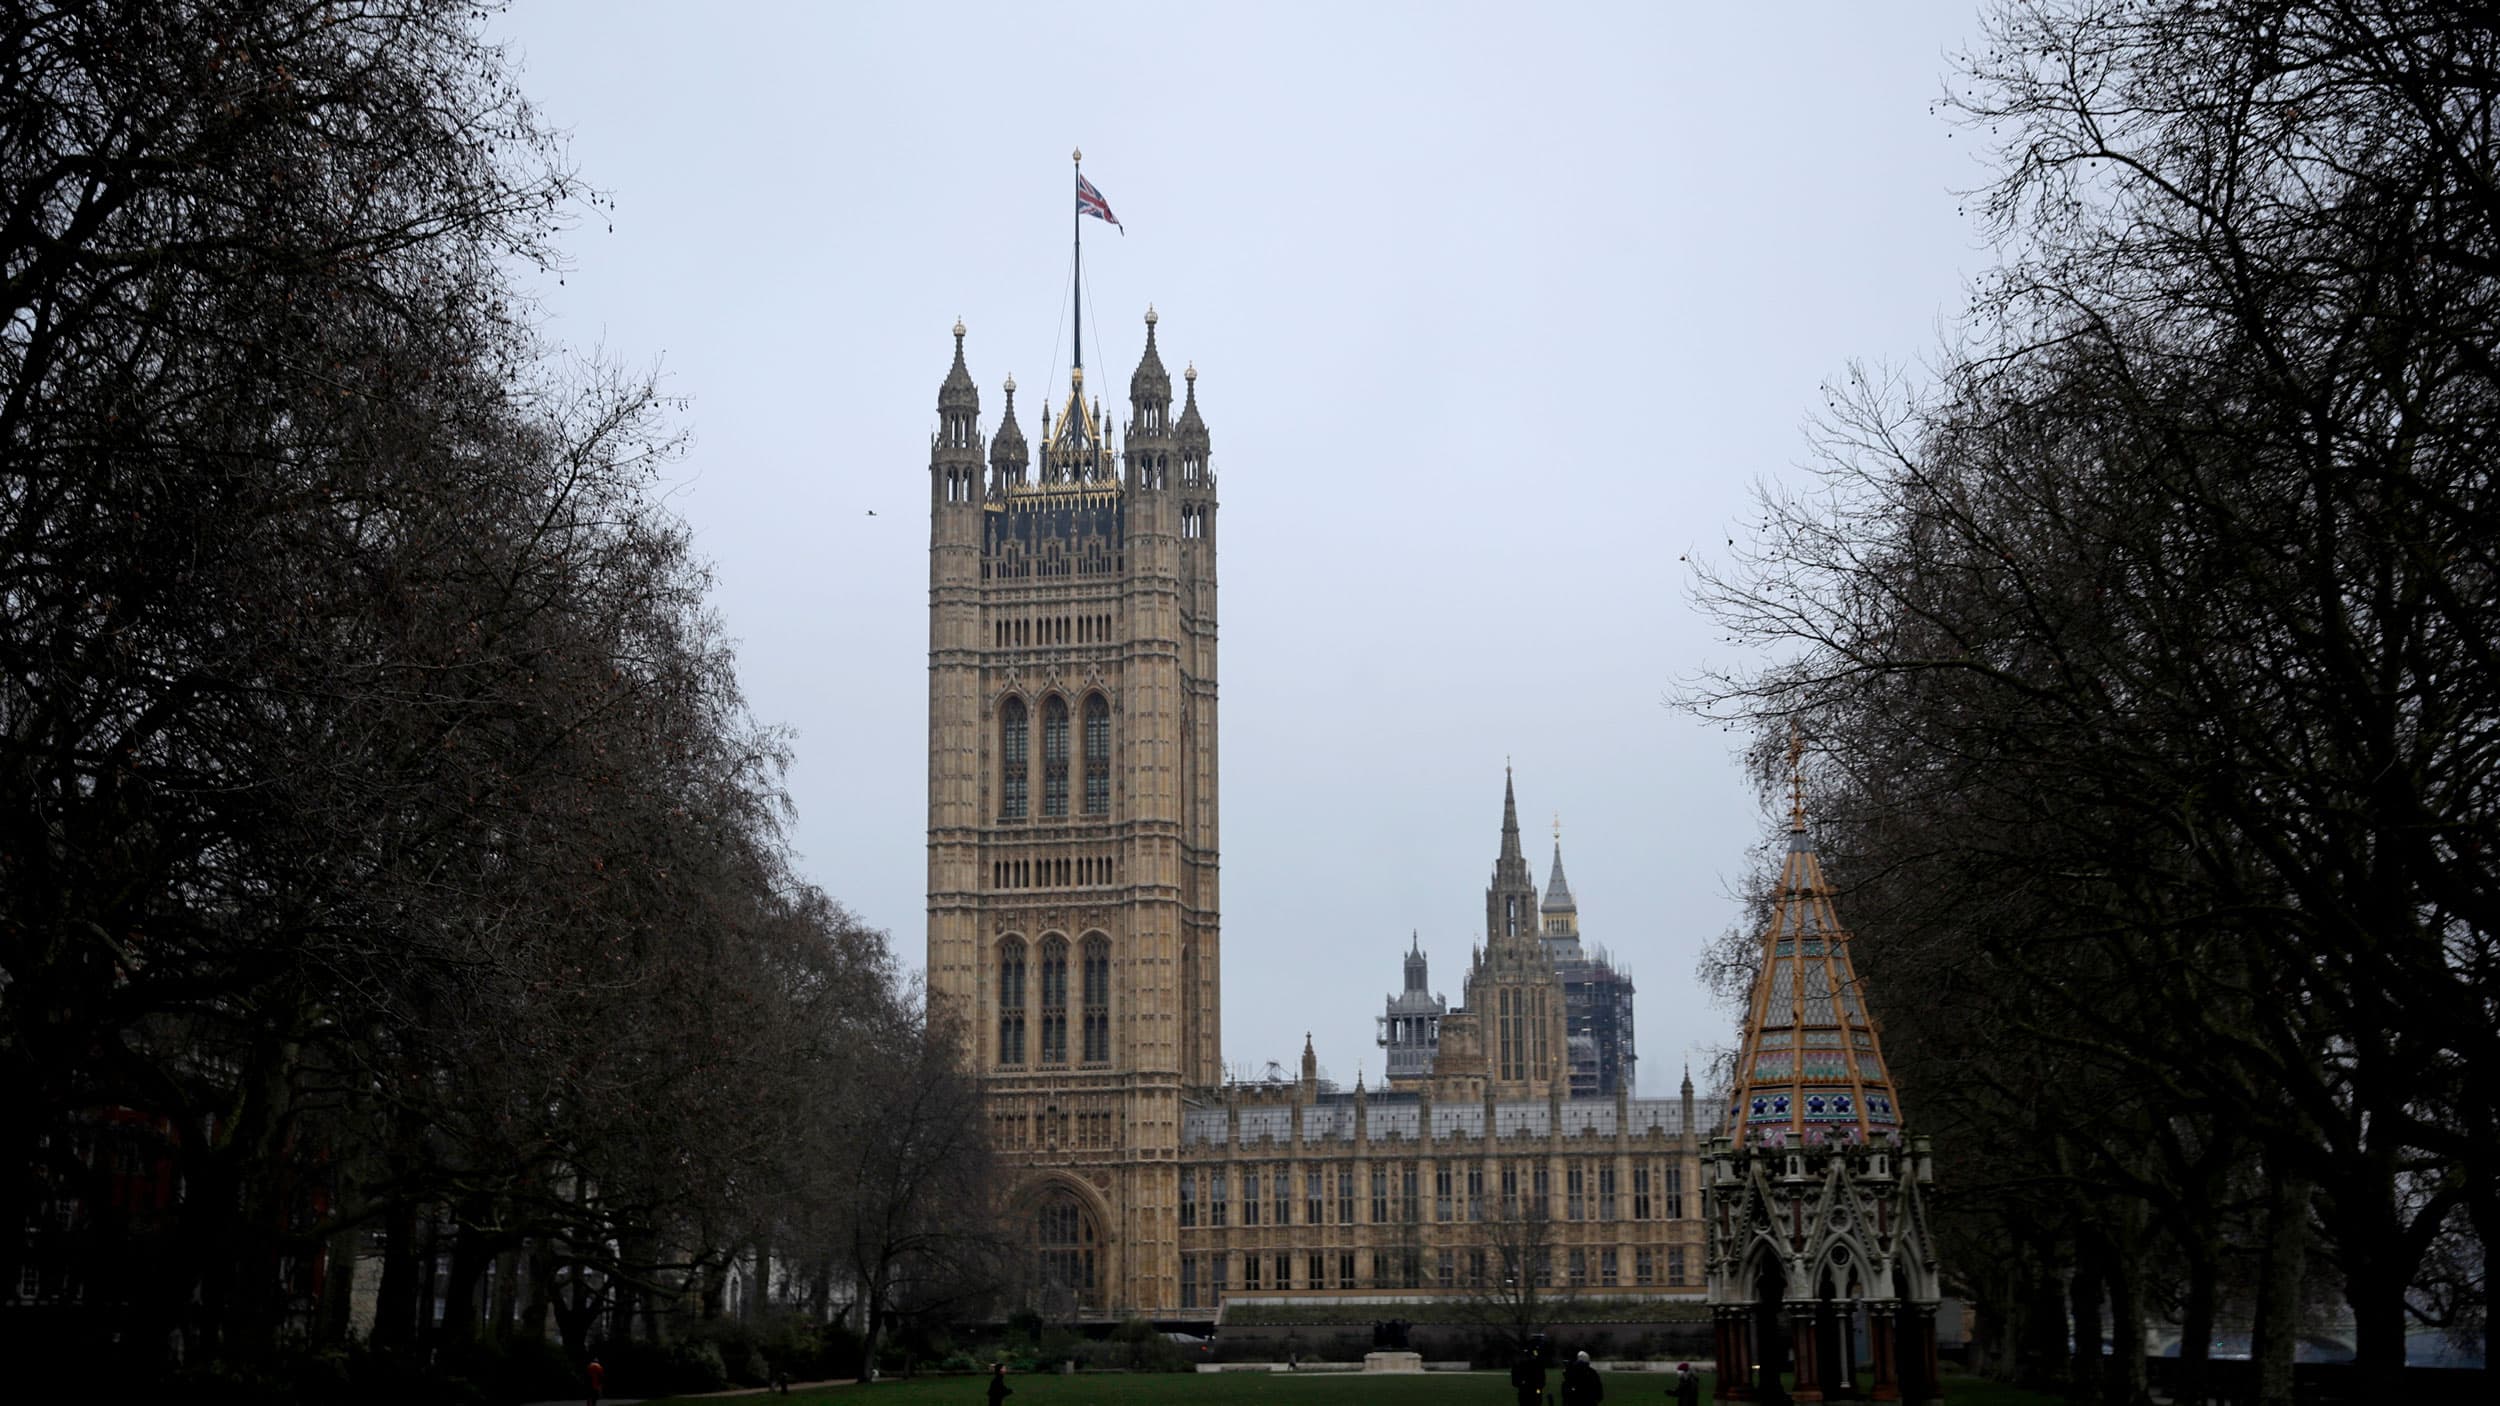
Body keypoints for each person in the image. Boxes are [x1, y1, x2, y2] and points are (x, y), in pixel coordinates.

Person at [1512, 1337, 1550, 1406]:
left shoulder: (1536, 1362)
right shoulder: (1525, 1363)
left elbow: (1542, 1378)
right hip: (1526, 1391)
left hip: (1532, 1390)